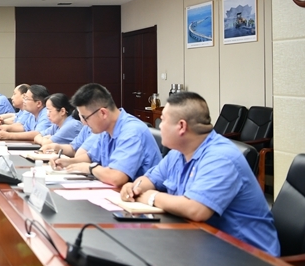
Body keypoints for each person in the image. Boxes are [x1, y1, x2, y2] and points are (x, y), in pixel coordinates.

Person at [120, 92, 280, 256]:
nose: (160, 126)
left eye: (163, 120)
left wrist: (152, 197)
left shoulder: (221, 157)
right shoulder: (178, 153)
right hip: (204, 242)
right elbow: (150, 179)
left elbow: (196, 210)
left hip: (249, 256)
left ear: (181, 126)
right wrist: (134, 188)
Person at [52, 83, 160, 188]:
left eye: (85, 118)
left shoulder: (132, 131)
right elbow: (91, 157)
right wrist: (67, 162)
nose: (84, 123)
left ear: (103, 113)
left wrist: (90, 168)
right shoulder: (106, 129)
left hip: (139, 195)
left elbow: (116, 178)